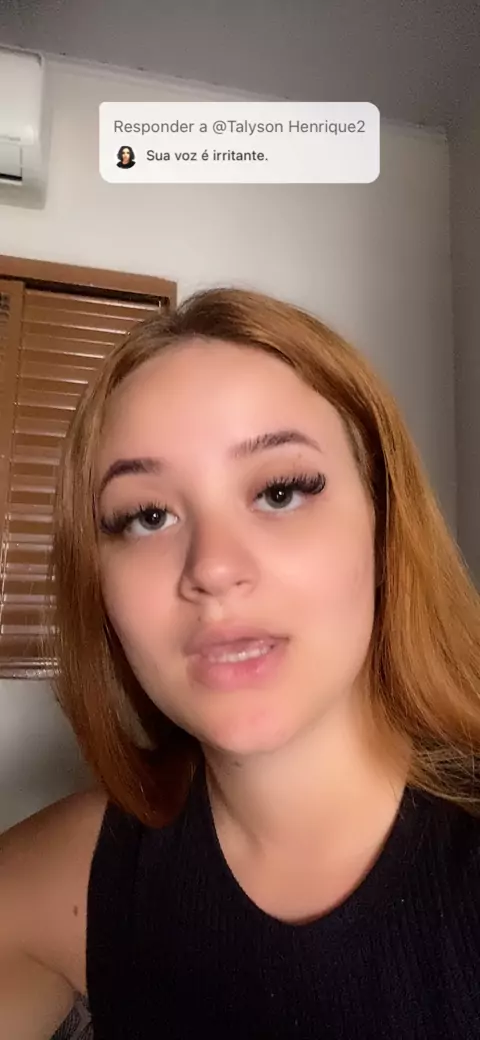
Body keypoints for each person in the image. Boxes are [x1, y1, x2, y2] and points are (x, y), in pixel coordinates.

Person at [1, 286, 480, 1039]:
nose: (214, 568)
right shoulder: (53, 882)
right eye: (148, 516)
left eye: (279, 491)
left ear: (385, 528)